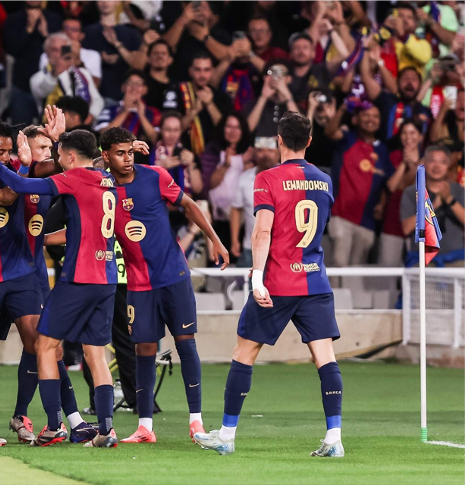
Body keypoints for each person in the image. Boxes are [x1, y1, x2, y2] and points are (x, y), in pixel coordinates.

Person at [194, 112, 344, 458]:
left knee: (244, 353)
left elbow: (262, 231)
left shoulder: (267, 178)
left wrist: (257, 277)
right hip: (315, 280)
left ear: (279, 140)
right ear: (309, 141)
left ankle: (226, 435)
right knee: (325, 358)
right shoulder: (325, 180)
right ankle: (334, 439)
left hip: (277, 282)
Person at [0, 129, 120, 448]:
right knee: (96, 355)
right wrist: (42, 239)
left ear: (71, 157)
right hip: (107, 278)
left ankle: (55, 425)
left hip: (79, 279)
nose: (57, 160)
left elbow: (21, 185)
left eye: (59, 154)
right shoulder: (107, 180)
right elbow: (80, 227)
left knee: (44, 346)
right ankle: (105, 430)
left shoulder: (75, 178)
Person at [94, 127, 229, 444]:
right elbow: (83, 168)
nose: (128, 159)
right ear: (106, 155)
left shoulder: (155, 176)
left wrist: (215, 239)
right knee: (144, 349)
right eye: (120, 153)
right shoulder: (102, 187)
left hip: (173, 276)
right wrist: (105, 161)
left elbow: (189, 204)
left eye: (130, 152)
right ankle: (145, 427)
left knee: (185, 343)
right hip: (138, 283)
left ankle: (196, 422)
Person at [325, 101, 392, 268]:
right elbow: (329, 131)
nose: (371, 119)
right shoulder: (347, 138)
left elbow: (387, 183)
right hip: (341, 216)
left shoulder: (383, 150)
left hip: (367, 222)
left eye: (375, 116)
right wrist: (342, 108)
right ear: (356, 119)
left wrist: (382, 203)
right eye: (366, 115)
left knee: (357, 272)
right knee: (339, 265)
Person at [400, 145, 465, 267]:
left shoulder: (459, 191)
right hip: (421, 259)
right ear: (424, 163)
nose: (437, 166)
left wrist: (449, 199)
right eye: (432, 161)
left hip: (456, 258)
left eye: (442, 162)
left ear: (448, 165)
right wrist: (432, 206)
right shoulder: (411, 192)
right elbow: (406, 228)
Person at [4, 0, 62, 124]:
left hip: (49, 86)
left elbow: (59, 51)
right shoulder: (14, 19)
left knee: (51, 129)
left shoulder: (54, 18)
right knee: (20, 129)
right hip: (22, 85)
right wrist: (29, 29)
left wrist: (45, 35)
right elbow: (11, 49)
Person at [163, 52, 232, 155]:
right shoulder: (176, 92)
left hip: (214, 155)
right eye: (197, 70)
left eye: (206, 70)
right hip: (181, 153)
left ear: (212, 71)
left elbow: (228, 132)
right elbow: (168, 132)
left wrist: (210, 104)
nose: (202, 75)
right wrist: (194, 110)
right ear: (190, 71)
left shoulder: (222, 97)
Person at [30, 33, 103, 123]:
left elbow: (97, 100)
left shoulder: (82, 73)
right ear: (47, 53)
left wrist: (89, 117)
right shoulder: (38, 78)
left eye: (64, 49)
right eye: (54, 50)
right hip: (51, 127)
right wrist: (55, 73)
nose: (59, 53)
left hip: (82, 126)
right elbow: (41, 92)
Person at [229, 138, 279, 268]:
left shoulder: (288, 177)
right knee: (249, 281)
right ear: (254, 153)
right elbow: (236, 208)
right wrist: (234, 240)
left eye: (270, 150)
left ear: (278, 153)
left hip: (281, 248)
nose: (265, 154)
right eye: (261, 150)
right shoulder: (244, 178)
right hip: (251, 247)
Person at [81, 0, 145, 101]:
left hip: (123, 95)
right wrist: (99, 58)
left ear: (118, 2)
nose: (105, 2)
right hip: (94, 95)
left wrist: (117, 44)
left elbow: (139, 65)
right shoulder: (88, 32)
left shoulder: (131, 33)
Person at [379, 119, 422, 267]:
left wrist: (415, 164)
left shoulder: (428, 158)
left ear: (420, 136)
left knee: (416, 271)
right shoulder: (393, 156)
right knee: (388, 270)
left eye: (412, 132)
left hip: (417, 223)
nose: (408, 137)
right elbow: (392, 186)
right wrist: (404, 163)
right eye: (404, 133)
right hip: (393, 220)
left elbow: (421, 184)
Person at [94, 70, 160, 152]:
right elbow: (103, 136)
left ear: (145, 89)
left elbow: (156, 140)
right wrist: (125, 111)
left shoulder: (153, 112)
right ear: (123, 87)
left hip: (142, 156)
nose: (134, 87)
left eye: (138, 84)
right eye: (130, 83)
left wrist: (142, 116)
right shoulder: (109, 109)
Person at [149, 111, 202, 198]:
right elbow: (144, 186)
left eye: (176, 130)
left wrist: (191, 165)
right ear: (161, 129)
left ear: (181, 131)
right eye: (168, 129)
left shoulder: (188, 152)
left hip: (185, 202)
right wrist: (159, 168)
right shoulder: (148, 151)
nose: (172, 134)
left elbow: (198, 189)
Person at [39, 17, 102, 87]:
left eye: (74, 29)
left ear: (81, 35)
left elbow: (95, 86)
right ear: (61, 32)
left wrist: (78, 61)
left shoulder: (92, 55)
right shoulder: (47, 55)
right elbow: (43, 86)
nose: (69, 32)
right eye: (66, 28)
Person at [245, 62, 299, 138]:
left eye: (281, 73)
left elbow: (301, 131)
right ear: (265, 78)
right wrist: (263, 98)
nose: (276, 77)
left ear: (289, 79)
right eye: (272, 72)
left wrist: (288, 97)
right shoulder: (252, 104)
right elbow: (246, 131)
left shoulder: (294, 105)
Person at [382, 3, 432, 76]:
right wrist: (384, 30)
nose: (404, 20)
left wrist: (403, 35)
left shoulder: (422, 43)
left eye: (409, 17)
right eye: (400, 16)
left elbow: (425, 57)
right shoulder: (385, 43)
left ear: (415, 24)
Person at [144, 39, 174, 112]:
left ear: (170, 60)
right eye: (155, 53)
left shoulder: (175, 86)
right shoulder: (142, 83)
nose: (159, 56)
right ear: (148, 59)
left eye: (163, 53)